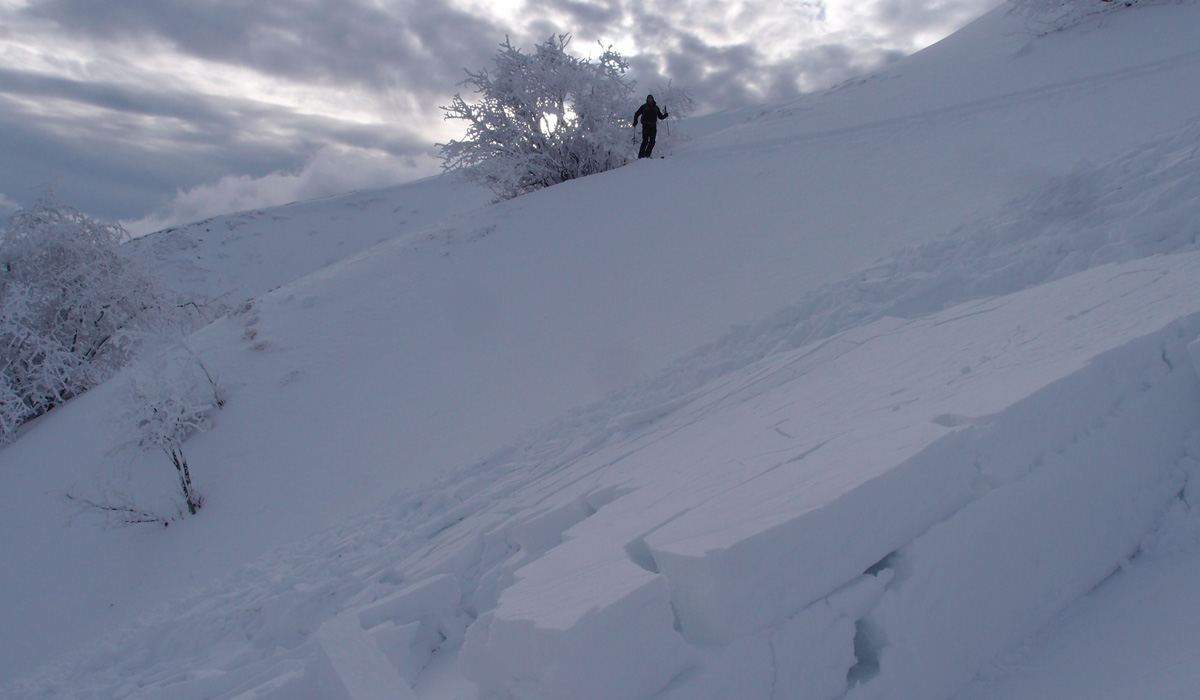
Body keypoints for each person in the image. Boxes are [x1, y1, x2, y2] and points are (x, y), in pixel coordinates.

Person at [632, 95, 669, 159]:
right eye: (649, 98)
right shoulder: (644, 107)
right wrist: (635, 121)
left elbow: (660, 117)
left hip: (653, 126)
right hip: (645, 126)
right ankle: (641, 156)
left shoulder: (656, 108)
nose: (650, 99)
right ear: (647, 99)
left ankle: (647, 155)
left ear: (653, 99)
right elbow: (637, 113)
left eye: (651, 98)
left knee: (652, 141)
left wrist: (665, 115)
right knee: (645, 141)